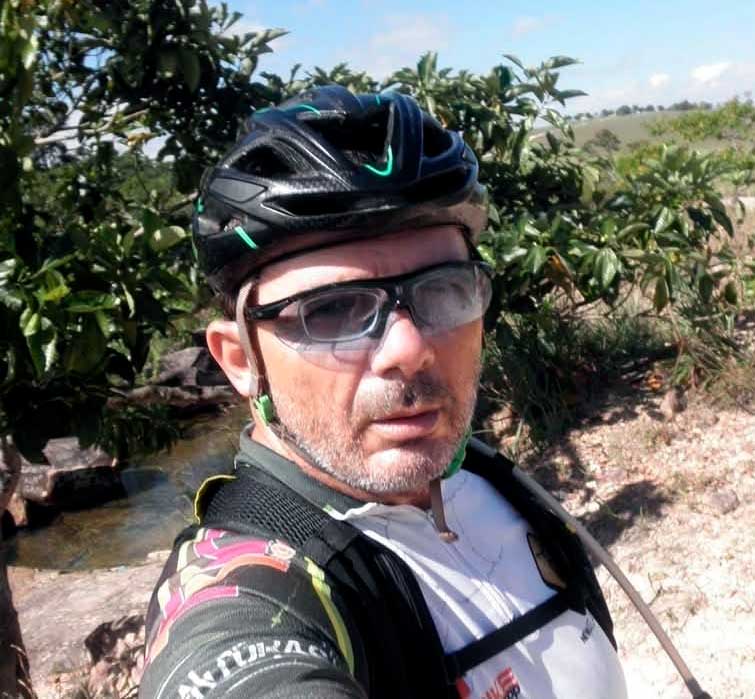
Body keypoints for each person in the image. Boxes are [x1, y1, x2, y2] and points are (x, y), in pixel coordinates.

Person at [138, 86, 628, 699]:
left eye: (443, 288)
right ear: (241, 361)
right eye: (332, 310)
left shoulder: (489, 481)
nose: (409, 349)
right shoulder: (247, 590)